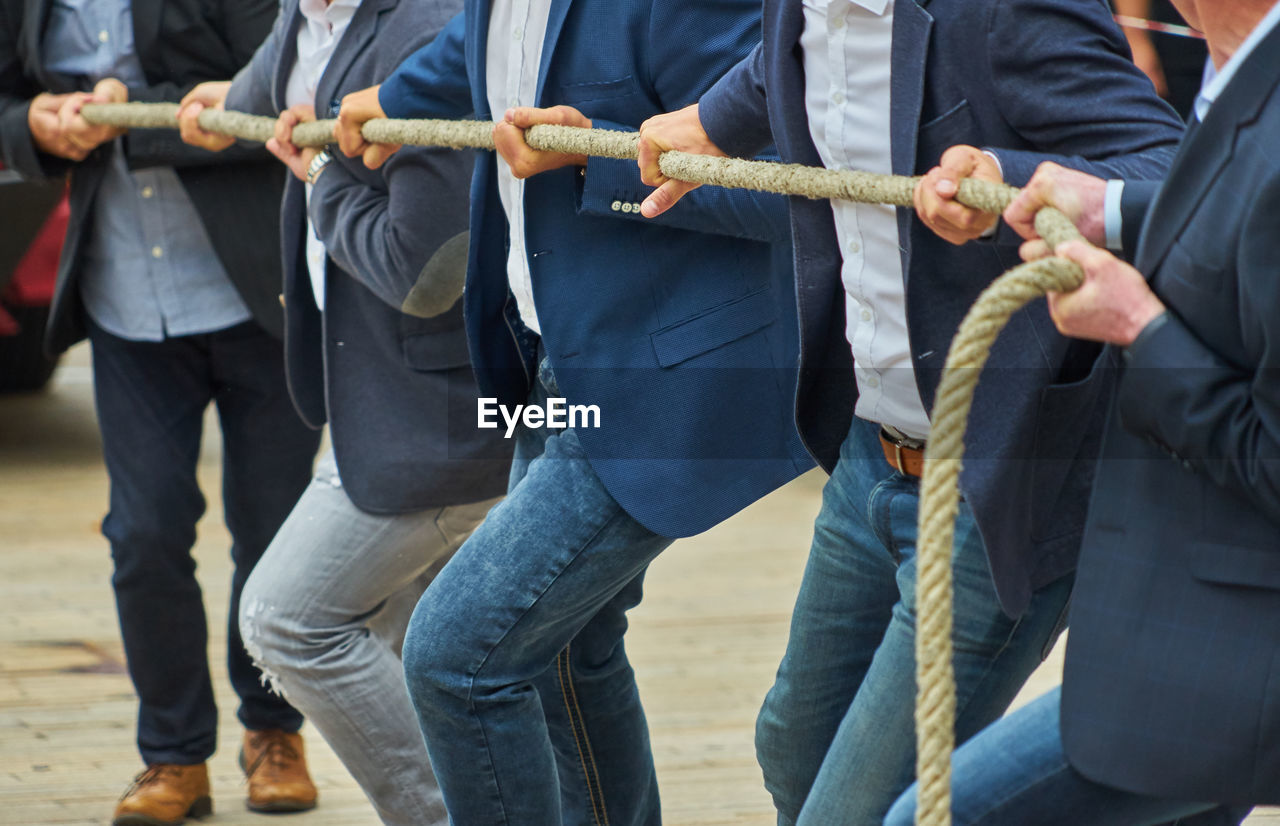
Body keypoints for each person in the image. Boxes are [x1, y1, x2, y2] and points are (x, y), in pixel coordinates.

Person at [633, 2, 1184, 823]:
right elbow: (786, 65)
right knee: (792, 745)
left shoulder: (1007, 12)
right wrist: (712, 124)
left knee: (855, 809)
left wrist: (1005, 178)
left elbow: (1175, 172)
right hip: (869, 456)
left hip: (999, 474)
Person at [332, 0, 814, 821]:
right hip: (548, 367)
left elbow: (787, 186)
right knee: (564, 652)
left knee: (457, 656)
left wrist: (598, 157)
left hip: (662, 381)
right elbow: (472, 51)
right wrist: (385, 102)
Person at [884, 1, 1280, 823]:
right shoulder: (1244, 69)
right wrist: (1110, 206)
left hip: (1224, 662)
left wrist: (1137, 325)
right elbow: (1240, 216)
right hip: (1179, 620)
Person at [171, 0, 513, 822]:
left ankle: (455, 813)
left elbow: (426, 273)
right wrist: (224, 104)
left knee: (288, 620)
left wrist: (317, 174)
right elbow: (271, 84)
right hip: (370, 400)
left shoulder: (419, 32)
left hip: (440, 412)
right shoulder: (302, 15)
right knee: (422, 648)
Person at [0, 0, 322, 823]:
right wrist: (34, 126)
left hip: (256, 294)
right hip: (121, 300)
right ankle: (174, 756)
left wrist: (122, 119)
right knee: (142, 534)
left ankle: (273, 729)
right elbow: (7, 104)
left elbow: (283, 85)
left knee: (272, 532)